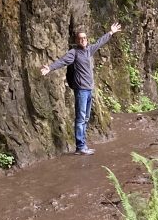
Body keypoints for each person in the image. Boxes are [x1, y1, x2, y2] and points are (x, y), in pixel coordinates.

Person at [41, 22, 122, 154]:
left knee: (85, 118)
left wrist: (111, 32)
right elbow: (62, 61)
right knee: (80, 118)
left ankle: (83, 145)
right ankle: (80, 147)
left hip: (89, 89)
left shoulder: (89, 50)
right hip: (81, 90)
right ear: (77, 41)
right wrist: (49, 68)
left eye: (84, 38)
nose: (83, 40)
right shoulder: (74, 53)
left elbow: (100, 42)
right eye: (80, 38)